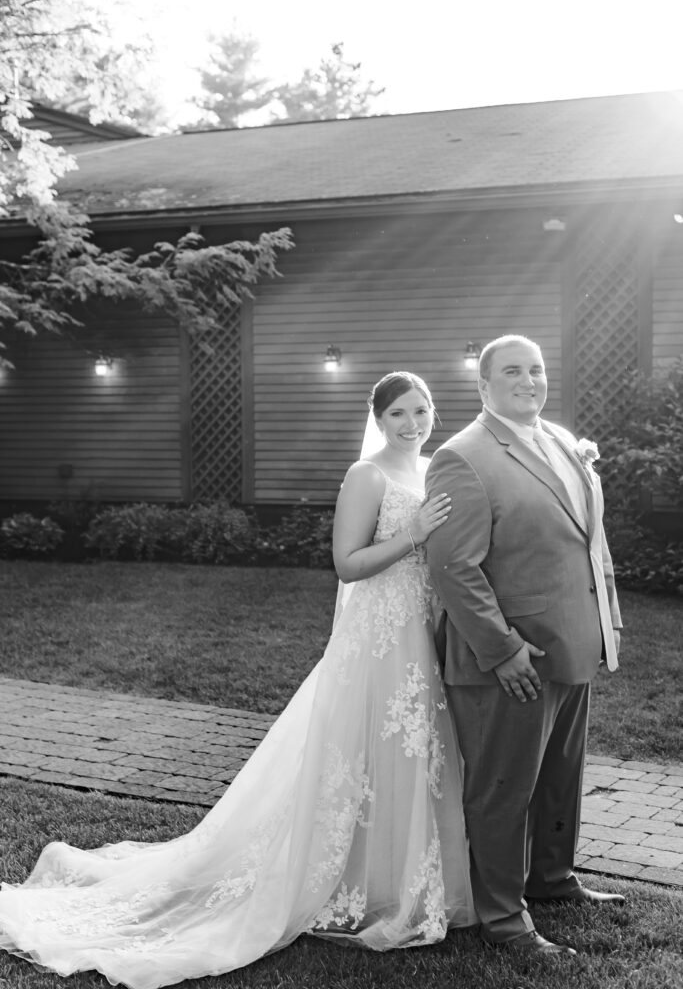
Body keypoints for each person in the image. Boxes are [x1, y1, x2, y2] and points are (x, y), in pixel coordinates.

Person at [0, 372, 475, 989]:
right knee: (357, 757)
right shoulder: (369, 476)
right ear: (378, 420)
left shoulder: (433, 470)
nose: (413, 423)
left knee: (410, 759)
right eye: (400, 414)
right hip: (377, 641)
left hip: (421, 636)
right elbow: (347, 564)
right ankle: (332, 879)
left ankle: (392, 881)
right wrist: (412, 535)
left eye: (422, 410)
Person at [425, 334, 624, 958]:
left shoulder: (563, 441)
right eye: (512, 371)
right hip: (510, 661)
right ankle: (505, 919)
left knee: (561, 778)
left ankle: (552, 878)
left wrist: (606, 621)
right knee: (503, 790)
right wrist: (503, 648)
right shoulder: (464, 456)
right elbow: (454, 567)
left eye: (536, 370)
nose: (528, 380)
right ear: (483, 385)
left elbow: (591, 543)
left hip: (572, 644)